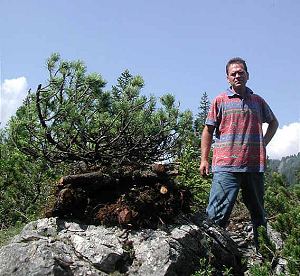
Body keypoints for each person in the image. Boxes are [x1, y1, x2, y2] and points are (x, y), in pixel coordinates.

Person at [200, 57, 278, 247]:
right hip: (225, 168)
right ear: (227, 78)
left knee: (259, 215)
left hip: (254, 167)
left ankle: (265, 257)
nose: (237, 75)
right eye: (233, 73)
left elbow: (274, 122)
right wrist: (204, 159)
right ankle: (209, 258)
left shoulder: (258, 101)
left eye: (240, 72)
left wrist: (263, 143)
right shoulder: (220, 100)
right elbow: (208, 130)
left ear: (247, 75)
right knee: (216, 215)